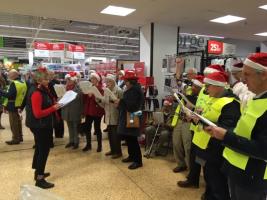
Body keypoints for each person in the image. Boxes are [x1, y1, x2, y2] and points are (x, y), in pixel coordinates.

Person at [205, 52, 267, 200]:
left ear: (264, 74)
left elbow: (263, 149)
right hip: (238, 170)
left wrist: (226, 136)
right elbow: (245, 131)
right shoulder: (256, 98)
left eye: (247, 74)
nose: (243, 80)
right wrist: (224, 132)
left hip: (252, 176)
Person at [192, 71, 241, 200]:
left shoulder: (231, 103)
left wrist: (203, 122)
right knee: (209, 178)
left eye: (208, 86)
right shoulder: (213, 98)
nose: (206, 89)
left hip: (217, 150)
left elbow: (227, 128)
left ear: (219, 86)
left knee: (218, 183)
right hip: (206, 146)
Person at [25, 67, 61, 189]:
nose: (49, 80)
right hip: (40, 126)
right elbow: (38, 113)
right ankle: (40, 179)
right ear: (39, 80)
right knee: (43, 151)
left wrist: (54, 103)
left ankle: (38, 172)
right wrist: (53, 108)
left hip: (41, 125)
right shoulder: (36, 92)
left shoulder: (42, 89)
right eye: (46, 79)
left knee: (40, 149)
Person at [177, 75, 204, 188]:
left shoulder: (205, 94)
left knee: (196, 156)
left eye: (194, 86)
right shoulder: (199, 94)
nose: (192, 88)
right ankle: (192, 179)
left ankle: (194, 179)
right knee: (194, 156)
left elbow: (201, 110)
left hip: (202, 130)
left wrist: (191, 109)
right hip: (195, 127)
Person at [171, 75, 202, 173]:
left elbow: (199, 111)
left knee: (188, 146)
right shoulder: (188, 91)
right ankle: (181, 164)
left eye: (195, 87)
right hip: (179, 120)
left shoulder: (202, 98)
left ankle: (191, 170)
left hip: (189, 123)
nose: (192, 88)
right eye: (192, 85)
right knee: (176, 143)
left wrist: (190, 105)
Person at [115, 70, 144, 170]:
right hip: (131, 115)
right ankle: (132, 156)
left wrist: (120, 102)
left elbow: (131, 106)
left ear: (130, 81)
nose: (125, 83)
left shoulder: (135, 91)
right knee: (129, 138)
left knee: (132, 139)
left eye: (126, 81)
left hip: (133, 116)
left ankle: (138, 161)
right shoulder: (133, 89)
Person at [0, 69, 27, 145]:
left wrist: (1, 91)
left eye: (9, 74)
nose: (8, 76)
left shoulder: (14, 83)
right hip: (19, 105)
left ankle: (15, 139)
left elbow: (9, 95)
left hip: (12, 105)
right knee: (18, 122)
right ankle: (20, 137)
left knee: (13, 123)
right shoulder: (23, 83)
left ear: (14, 75)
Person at [101, 74, 123, 159]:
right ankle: (112, 150)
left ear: (113, 81)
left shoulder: (119, 90)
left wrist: (114, 102)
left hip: (116, 115)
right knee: (110, 135)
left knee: (116, 136)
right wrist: (99, 100)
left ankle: (118, 152)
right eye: (106, 81)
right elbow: (104, 105)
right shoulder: (106, 90)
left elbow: (122, 104)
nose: (108, 83)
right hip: (108, 115)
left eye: (109, 81)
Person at [83, 72, 105, 152]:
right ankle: (88, 144)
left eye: (94, 78)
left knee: (97, 128)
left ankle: (100, 146)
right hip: (89, 111)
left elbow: (101, 100)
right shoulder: (89, 87)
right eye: (91, 78)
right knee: (87, 128)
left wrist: (93, 96)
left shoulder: (100, 88)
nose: (92, 80)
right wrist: (86, 95)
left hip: (97, 111)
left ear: (97, 80)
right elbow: (85, 100)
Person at [62, 72, 83, 149]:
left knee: (75, 127)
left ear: (74, 81)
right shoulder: (65, 88)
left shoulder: (78, 89)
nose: (68, 82)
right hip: (67, 111)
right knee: (70, 127)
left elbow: (81, 101)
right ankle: (71, 141)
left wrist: (82, 112)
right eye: (67, 80)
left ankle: (76, 142)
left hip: (75, 111)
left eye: (69, 80)